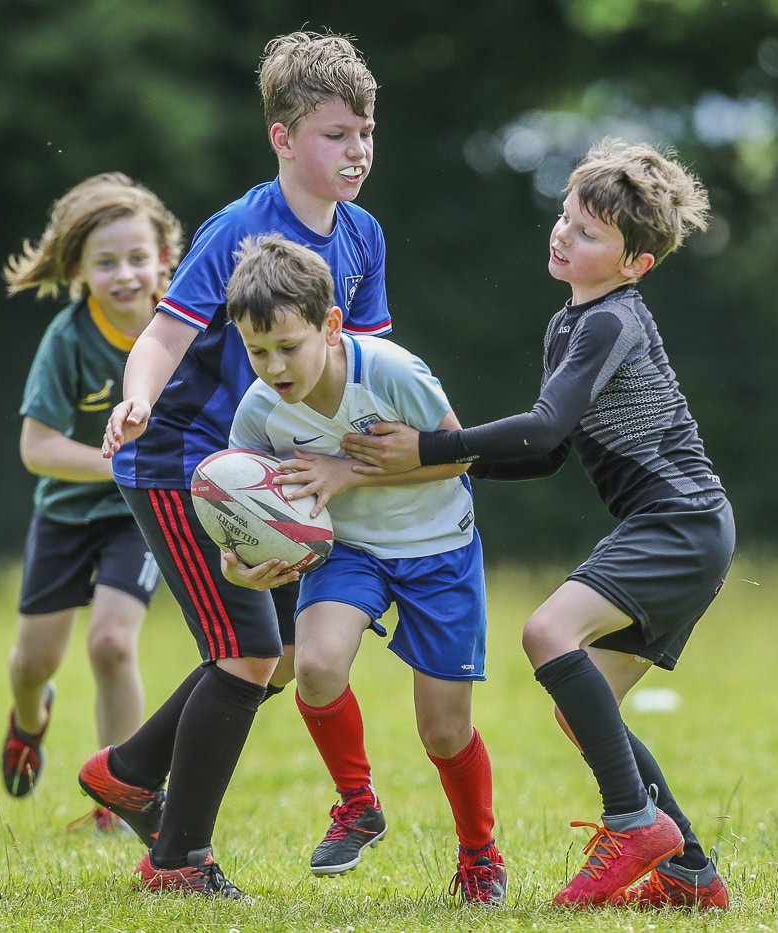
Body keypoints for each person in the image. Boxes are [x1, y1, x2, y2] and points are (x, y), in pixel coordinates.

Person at [342, 138, 735, 911]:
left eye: (588, 232)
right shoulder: (571, 324)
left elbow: (545, 428)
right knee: (579, 708)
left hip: (679, 522)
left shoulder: (610, 321)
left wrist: (432, 447)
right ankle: (690, 869)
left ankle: (633, 823)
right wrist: (447, 465)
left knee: (548, 633)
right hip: (685, 527)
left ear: (635, 265)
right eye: (565, 217)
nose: (563, 234)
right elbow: (549, 454)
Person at [81, 30, 389, 899]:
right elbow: (162, 336)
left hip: (265, 469)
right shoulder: (238, 229)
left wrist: (376, 456)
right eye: (336, 134)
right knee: (248, 653)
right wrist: (136, 399)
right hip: (180, 462)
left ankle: (125, 772)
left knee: (280, 652)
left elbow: (366, 366)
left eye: (366, 132)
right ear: (282, 138)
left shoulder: (362, 236)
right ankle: (178, 860)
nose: (357, 150)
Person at [219, 234, 507, 905]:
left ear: (331, 325)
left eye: (287, 346)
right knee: (316, 667)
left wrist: (348, 471)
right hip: (347, 550)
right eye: (257, 351)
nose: (274, 366)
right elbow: (240, 505)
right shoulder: (259, 411)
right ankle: (357, 803)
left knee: (443, 730)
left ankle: (479, 855)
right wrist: (238, 564)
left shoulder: (391, 372)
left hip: (438, 548)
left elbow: (461, 455)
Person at [0, 173, 182, 834]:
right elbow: (37, 447)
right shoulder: (69, 338)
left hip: (138, 517)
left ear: (165, 256)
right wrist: (117, 463)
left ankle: (121, 795)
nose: (125, 274)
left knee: (110, 643)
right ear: (78, 269)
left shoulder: (186, 329)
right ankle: (29, 718)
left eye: (137, 257)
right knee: (33, 663)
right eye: (107, 262)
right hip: (66, 514)